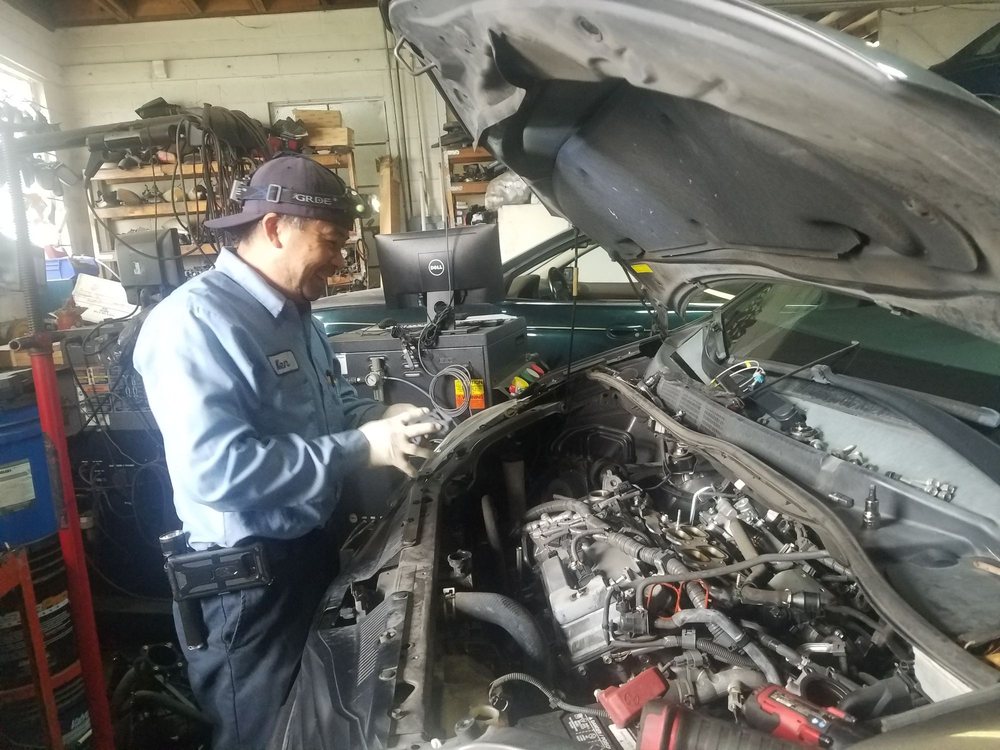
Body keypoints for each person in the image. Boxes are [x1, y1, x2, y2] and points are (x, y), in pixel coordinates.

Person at [132, 155, 441, 750]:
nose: (340, 260)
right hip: (247, 591)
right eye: (331, 241)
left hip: (309, 556)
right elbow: (219, 472)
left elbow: (332, 403)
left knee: (318, 724)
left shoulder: (297, 314)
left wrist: (379, 419)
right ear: (275, 228)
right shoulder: (194, 322)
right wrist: (362, 447)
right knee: (264, 736)